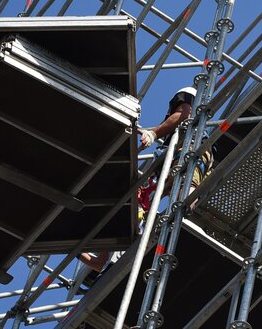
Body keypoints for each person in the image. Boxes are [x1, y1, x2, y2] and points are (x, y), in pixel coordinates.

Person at [79, 86, 212, 273]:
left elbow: (184, 115)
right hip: (168, 157)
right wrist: (77, 250)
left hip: (188, 145)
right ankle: (179, 221)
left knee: (185, 180)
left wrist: (154, 133)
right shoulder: (115, 223)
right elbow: (100, 263)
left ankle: (185, 221)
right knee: (148, 194)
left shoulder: (186, 93)